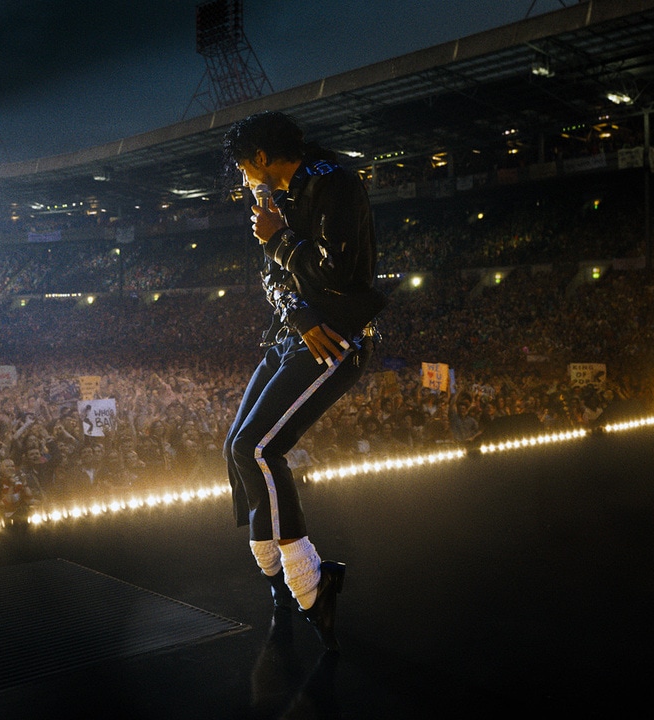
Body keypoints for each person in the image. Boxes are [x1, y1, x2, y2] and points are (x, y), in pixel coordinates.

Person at [221, 110, 386, 651]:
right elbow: (272, 277)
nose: (243, 178)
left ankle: (311, 585)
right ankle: (276, 575)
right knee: (236, 447)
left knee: (258, 448)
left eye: (244, 166)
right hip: (298, 332)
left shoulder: (334, 184)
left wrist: (279, 239)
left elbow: (338, 272)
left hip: (337, 338)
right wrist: (298, 312)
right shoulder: (277, 198)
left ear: (261, 158)